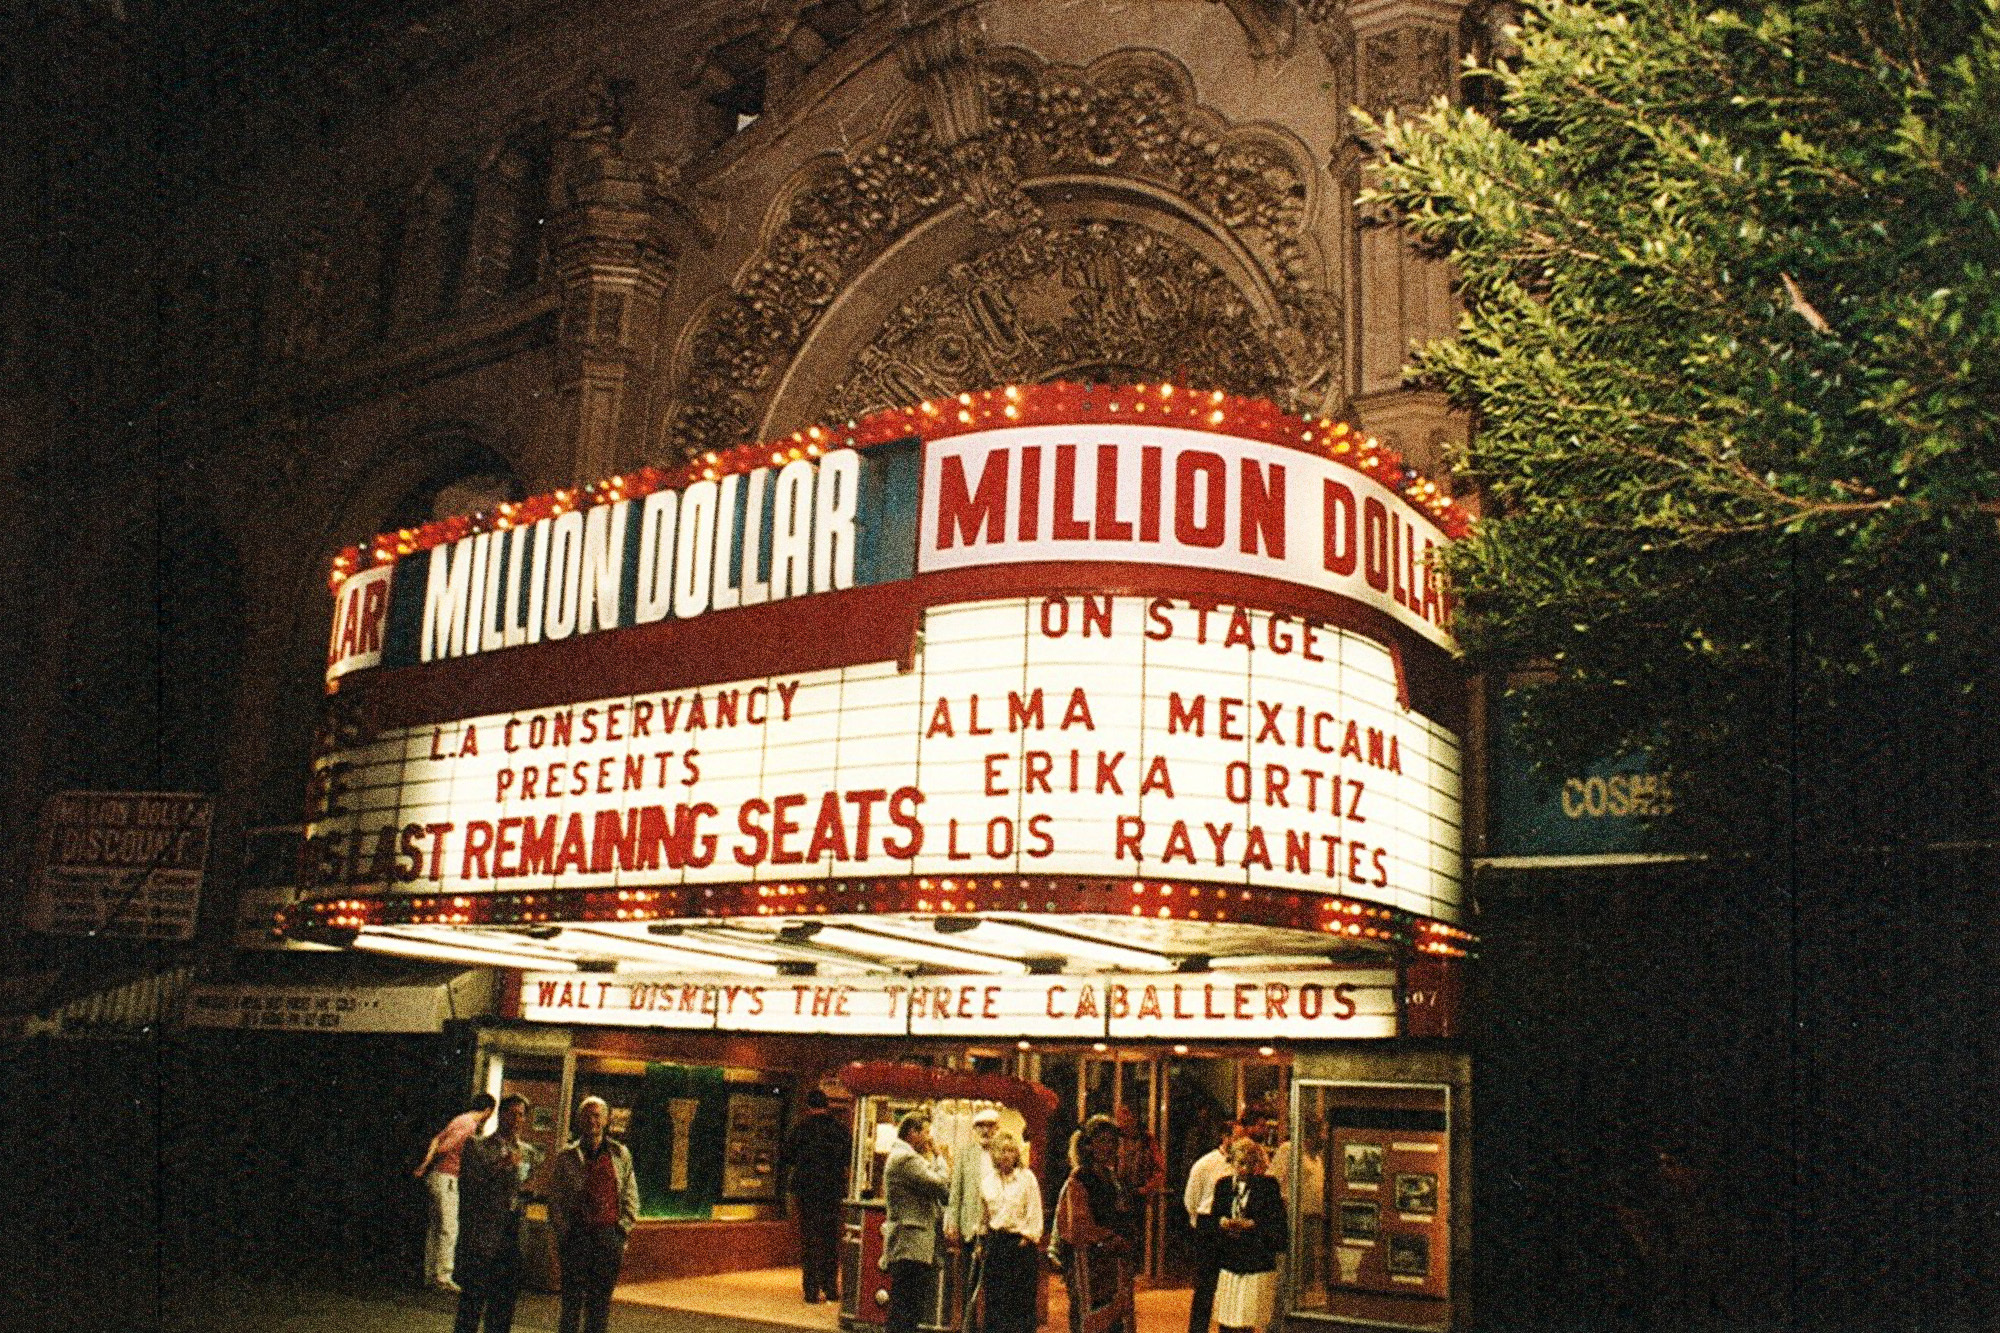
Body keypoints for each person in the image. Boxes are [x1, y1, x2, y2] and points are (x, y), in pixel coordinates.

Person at [548, 1096, 640, 1333]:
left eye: (597, 1115)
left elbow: (630, 1193)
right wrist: (564, 1231)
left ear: (607, 1120)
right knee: (571, 1303)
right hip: (576, 1237)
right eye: (588, 1115)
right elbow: (556, 1198)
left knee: (600, 1304)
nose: (592, 1120)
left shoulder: (620, 1154)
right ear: (580, 1120)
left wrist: (622, 1230)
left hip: (608, 1237)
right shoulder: (567, 1156)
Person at [454, 1093, 542, 1333]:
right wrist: (501, 1166)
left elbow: (530, 1185)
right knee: (472, 1304)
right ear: (500, 1114)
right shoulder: (477, 1146)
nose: (516, 1119)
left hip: (513, 1234)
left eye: (521, 1115)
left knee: (503, 1308)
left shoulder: (529, 1152)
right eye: (511, 1113)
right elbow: (470, 1186)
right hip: (485, 1234)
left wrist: (530, 1189)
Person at [1051, 1115, 1139, 1333]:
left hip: (1114, 1262)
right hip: (1088, 1263)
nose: (1109, 1147)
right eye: (1102, 1141)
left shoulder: (1112, 1177)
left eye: (1112, 1142)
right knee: (1092, 1317)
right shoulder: (1079, 1179)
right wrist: (1108, 1238)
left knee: (1117, 1320)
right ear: (1089, 1145)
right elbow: (1077, 1226)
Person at [1203, 1140, 1289, 1333]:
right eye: (1240, 1163)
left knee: (1247, 1318)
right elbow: (1213, 1218)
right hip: (1229, 1261)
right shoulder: (1223, 1186)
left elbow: (1276, 1222)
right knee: (1226, 1317)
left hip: (1254, 1263)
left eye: (1251, 1163)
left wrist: (1252, 1224)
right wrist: (1222, 1223)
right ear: (1232, 1162)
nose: (1245, 1169)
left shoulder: (1267, 1186)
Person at [415, 1092, 497, 1292]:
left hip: (436, 1176)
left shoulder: (458, 1119)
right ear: (488, 1110)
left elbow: (437, 1139)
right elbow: (445, 1147)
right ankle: (443, 1276)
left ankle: (430, 1273)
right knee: (449, 1227)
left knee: (436, 1227)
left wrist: (425, 1164)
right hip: (448, 1177)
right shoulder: (469, 1126)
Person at [883, 1109, 952, 1333]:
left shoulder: (904, 1157)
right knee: (907, 1306)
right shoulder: (906, 1159)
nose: (929, 1138)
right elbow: (940, 1184)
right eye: (926, 1132)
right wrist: (940, 1157)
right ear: (912, 1133)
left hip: (910, 1242)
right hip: (911, 1242)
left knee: (906, 1304)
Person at [783, 1088, 852, 1304]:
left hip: (807, 1191)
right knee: (830, 1239)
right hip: (831, 1190)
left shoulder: (801, 1129)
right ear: (827, 1105)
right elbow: (848, 1156)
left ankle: (811, 1290)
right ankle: (830, 1287)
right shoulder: (839, 1129)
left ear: (808, 1106)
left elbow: (788, 1157)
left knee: (810, 1239)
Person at [978, 1128, 1043, 1333]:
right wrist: (982, 1243)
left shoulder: (1027, 1178)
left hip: (1020, 1246)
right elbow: (984, 1217)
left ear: (1016, 1153)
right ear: (994, 1154)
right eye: (1001, 1151)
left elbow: (1035, 1213)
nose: (1006, 1155)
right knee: (995, 1304)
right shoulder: (987, 1182)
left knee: (1021, 1306)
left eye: (1010, 1150)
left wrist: (1026, 1240)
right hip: (996, 1244)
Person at [1182, 1120, 1240, 1333]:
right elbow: (1191, 1199)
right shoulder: (1206, 1164)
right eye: (1237, 1136)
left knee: (1230, 1285)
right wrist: (1200, 1225)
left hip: (1232, 1227)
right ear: (1225, 1137)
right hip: (1209, 1226)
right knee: (1205, 1286)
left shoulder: (1244, 1164)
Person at [946, 1105, 1001, 1324]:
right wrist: (952, 1223)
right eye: (981, 1126)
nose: (986, 1131)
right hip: (971, 1227)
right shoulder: (965, 1154)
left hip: (998, 1229)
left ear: (997, 1128)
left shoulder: (1005, 1152)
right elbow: (956, 1191)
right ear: (975, 1129)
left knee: (995, 1285)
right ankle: (968, 1326)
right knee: (969, 1284)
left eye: (990, 1126)